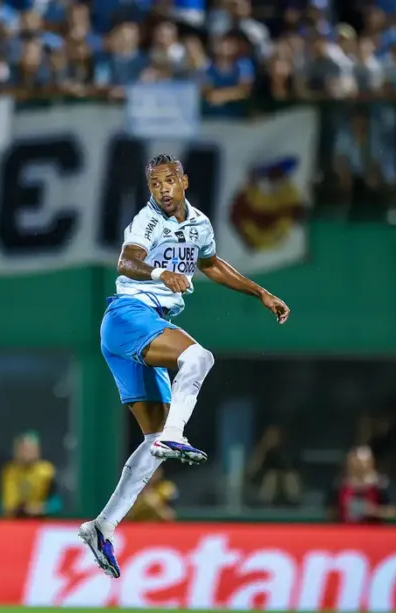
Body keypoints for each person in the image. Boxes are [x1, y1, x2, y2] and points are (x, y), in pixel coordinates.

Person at [80, 153, 290, 578]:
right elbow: (126, 262)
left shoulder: (200, 225)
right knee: (198, 357)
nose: (163, 189)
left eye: (169, 180)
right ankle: (175, 436)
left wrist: (260, 292)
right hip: (129, 316)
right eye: (155, 183)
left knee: (152, 440)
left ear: (184, 181)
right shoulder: (146, 221)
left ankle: (101, 527)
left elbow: (211, 264)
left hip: (140, 328)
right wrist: (161, 274)